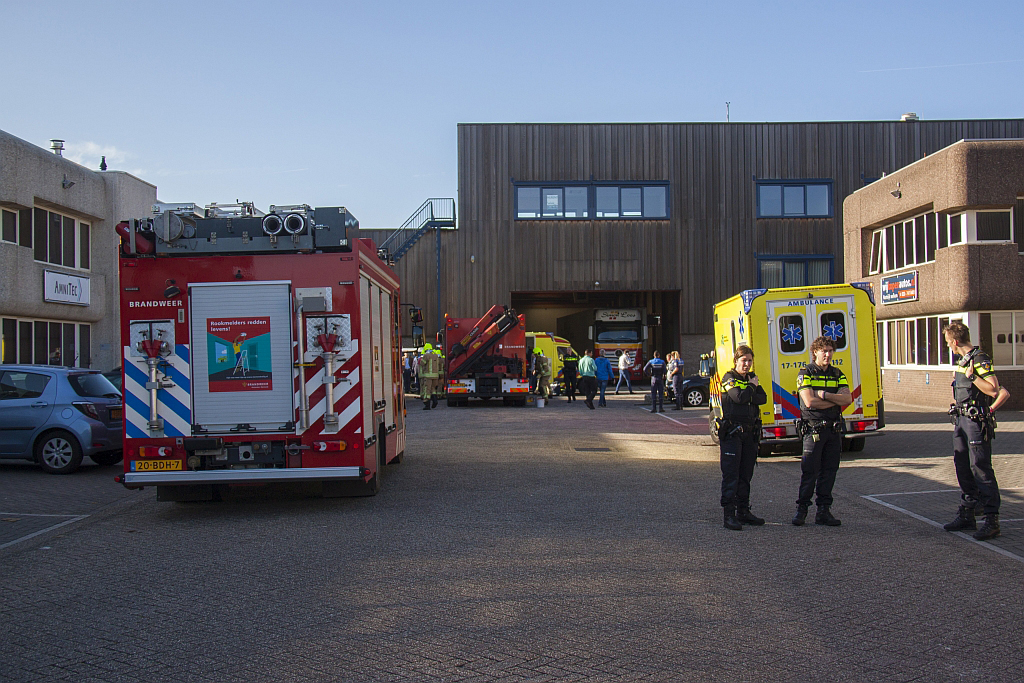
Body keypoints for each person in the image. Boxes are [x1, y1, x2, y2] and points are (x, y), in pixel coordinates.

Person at [941, 321, 1010, 540]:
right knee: (962, 465)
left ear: (955, 341)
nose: (948, 346)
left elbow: (993, 389)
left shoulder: (979, 360)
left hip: (975, 421)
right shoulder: (962, 361)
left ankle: (991, 519)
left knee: (980, 467)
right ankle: (968, 512)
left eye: (947, 342)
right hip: (961, 420)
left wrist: (972, 377)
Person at [792, 336, 851, 527]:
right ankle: (802, 511)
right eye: (823, 350)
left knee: (829, 472)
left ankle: (823, 511)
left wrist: (824, 395)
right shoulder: (806, 373)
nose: (827, 354)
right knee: (809, 471)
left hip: (833, 430)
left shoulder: (837, 373)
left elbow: (847, 399)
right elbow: (809, 401)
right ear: (815, 352)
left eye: (830, 350)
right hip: (814, 430)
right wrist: (835, 399)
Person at [718, 345, 769, 530]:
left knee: (746, 474)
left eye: (749, 360)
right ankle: (729, 514)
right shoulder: (728, 378)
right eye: (743, 360)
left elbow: (763, 398)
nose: (747, 364)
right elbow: (738, 397)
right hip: (732, 432)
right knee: (731, 474)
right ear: (736, 361)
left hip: (750, 433)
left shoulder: (751, 379)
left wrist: (750, 390)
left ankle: (743, 511)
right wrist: (752, 389)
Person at [418, 343, 441, 410]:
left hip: (428, 376)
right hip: (436, 375)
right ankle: (435, 400)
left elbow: (422, 363)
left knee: (427, 389)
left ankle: (427, 405)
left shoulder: (426, 355)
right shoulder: (436, 355)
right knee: (433, 389)